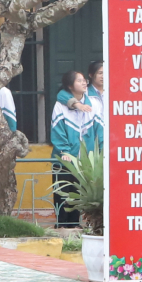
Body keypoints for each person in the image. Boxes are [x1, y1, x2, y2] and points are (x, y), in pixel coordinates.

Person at [50, 69, 100, 224]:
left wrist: (100, 153)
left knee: (79, 194)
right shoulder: (60, 105)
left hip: (85, 162)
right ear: (70, 86)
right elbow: (58, 131)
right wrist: (64, 151)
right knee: (63, 194)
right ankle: (62, 225)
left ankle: (75, 225)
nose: (84, 83)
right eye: (79, 80)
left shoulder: (93, 104)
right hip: (64, 161)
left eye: (84, 80)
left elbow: (100, 131)